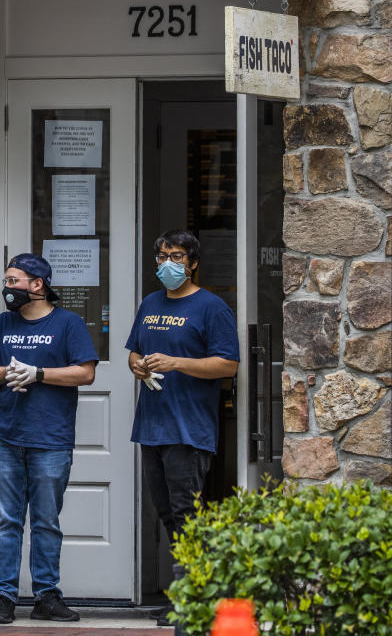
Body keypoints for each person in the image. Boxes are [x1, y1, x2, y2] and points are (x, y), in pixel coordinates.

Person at [0, 253, 98, 624]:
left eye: (14, 281)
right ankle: (3, 597)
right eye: (7, 281)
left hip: (50, 438)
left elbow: (86, 373)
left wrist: (39, 374)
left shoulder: (68, 323)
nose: (8, 288)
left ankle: (46, 596)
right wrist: (8, 373)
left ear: (37, 285)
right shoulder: (3, 323)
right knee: (6, 520)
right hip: (5, 437)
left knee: (46, 520)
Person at [126, 228, 239, 556]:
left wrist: (176, 363)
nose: (168, 263)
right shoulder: (150, 303)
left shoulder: (211, 307)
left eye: (177, 256)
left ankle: (196, 598)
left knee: (185, 514)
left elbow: (228, 365)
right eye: (162, 256)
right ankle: (185, 596)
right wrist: (137, 365)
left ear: (192, 263)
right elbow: (134, 351)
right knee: (165, 512)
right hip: (152, 427)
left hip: (188, 428)